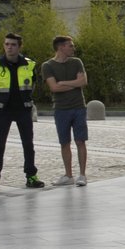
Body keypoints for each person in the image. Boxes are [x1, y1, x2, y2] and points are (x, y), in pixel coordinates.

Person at [0, 33, 44, 191]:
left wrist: (27, 99)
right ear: (4, 45)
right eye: (7, 44)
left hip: (23, 109)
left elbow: (33, 84)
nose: (9, 47)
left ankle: (31, 176)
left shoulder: (29, 64)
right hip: (3, 110)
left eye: (13, 44)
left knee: (28, 144)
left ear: (19, 47)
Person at [39, 35, 89, 186]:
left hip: (79, 107)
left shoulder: (76, 62)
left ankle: (82, 175)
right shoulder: (47, 66)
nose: (73, 48)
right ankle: (68, 175)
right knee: (64, 142)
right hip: (61, 109)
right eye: (70, 45)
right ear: (61, 47)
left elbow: (84, 81)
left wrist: (64, 83)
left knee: (80, 140)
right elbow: (54, 87)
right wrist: (75, 84)